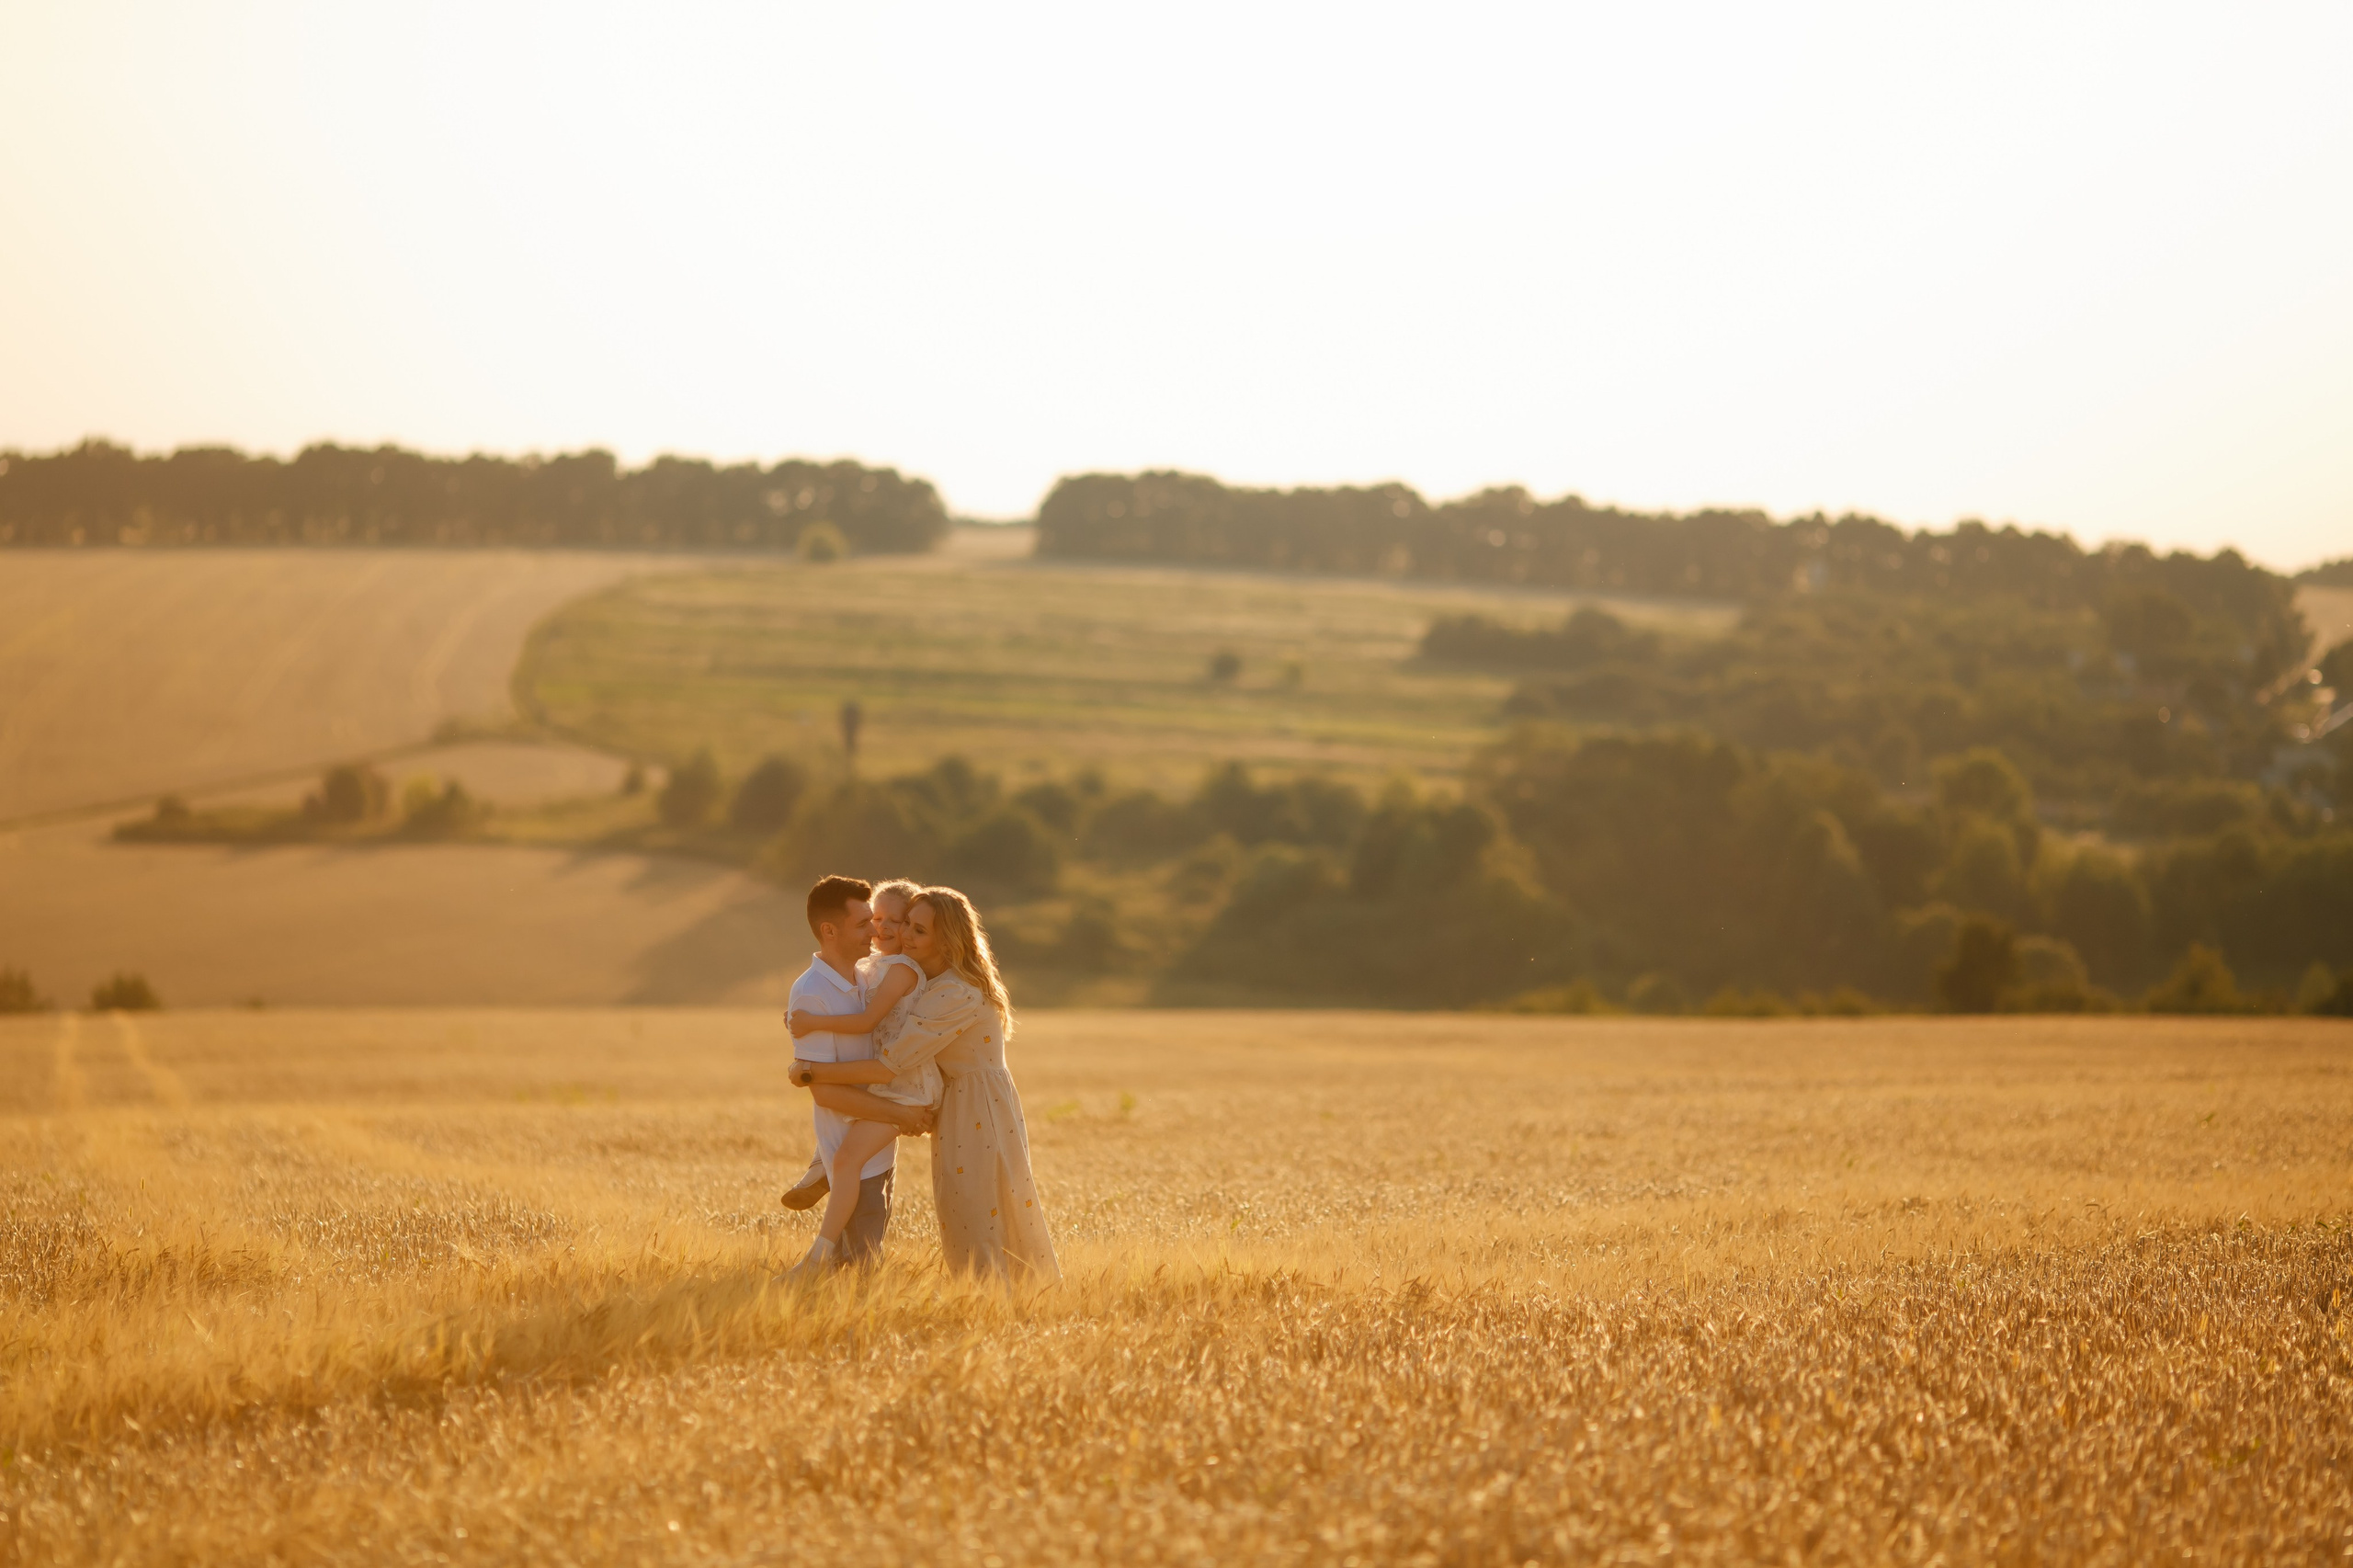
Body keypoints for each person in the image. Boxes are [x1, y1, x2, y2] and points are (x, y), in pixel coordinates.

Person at [794, 886, 1058, 1281]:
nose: (904, 936)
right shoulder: (929, 983)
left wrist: (809, 1073)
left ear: (946, 939)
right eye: (907, 927)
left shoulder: (953, 992)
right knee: (962, 1208)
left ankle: (1003, 1296)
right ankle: (988, 1297)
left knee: (976, 1205)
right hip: (959, 1101)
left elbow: (888, 1066)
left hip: (977, 1106)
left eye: (918, 931)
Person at [781, 880, 941, 1277]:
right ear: (830, 931)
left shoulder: (878, 974)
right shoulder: (821, 989)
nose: (877, 930)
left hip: (891, 1121)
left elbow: (871, 1025)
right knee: (856, 1271)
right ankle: (819, 1251)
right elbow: (823, 1092)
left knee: (860, 1273)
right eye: (868, 921)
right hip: (866, 1130)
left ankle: (819, 1246)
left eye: (886, 921)